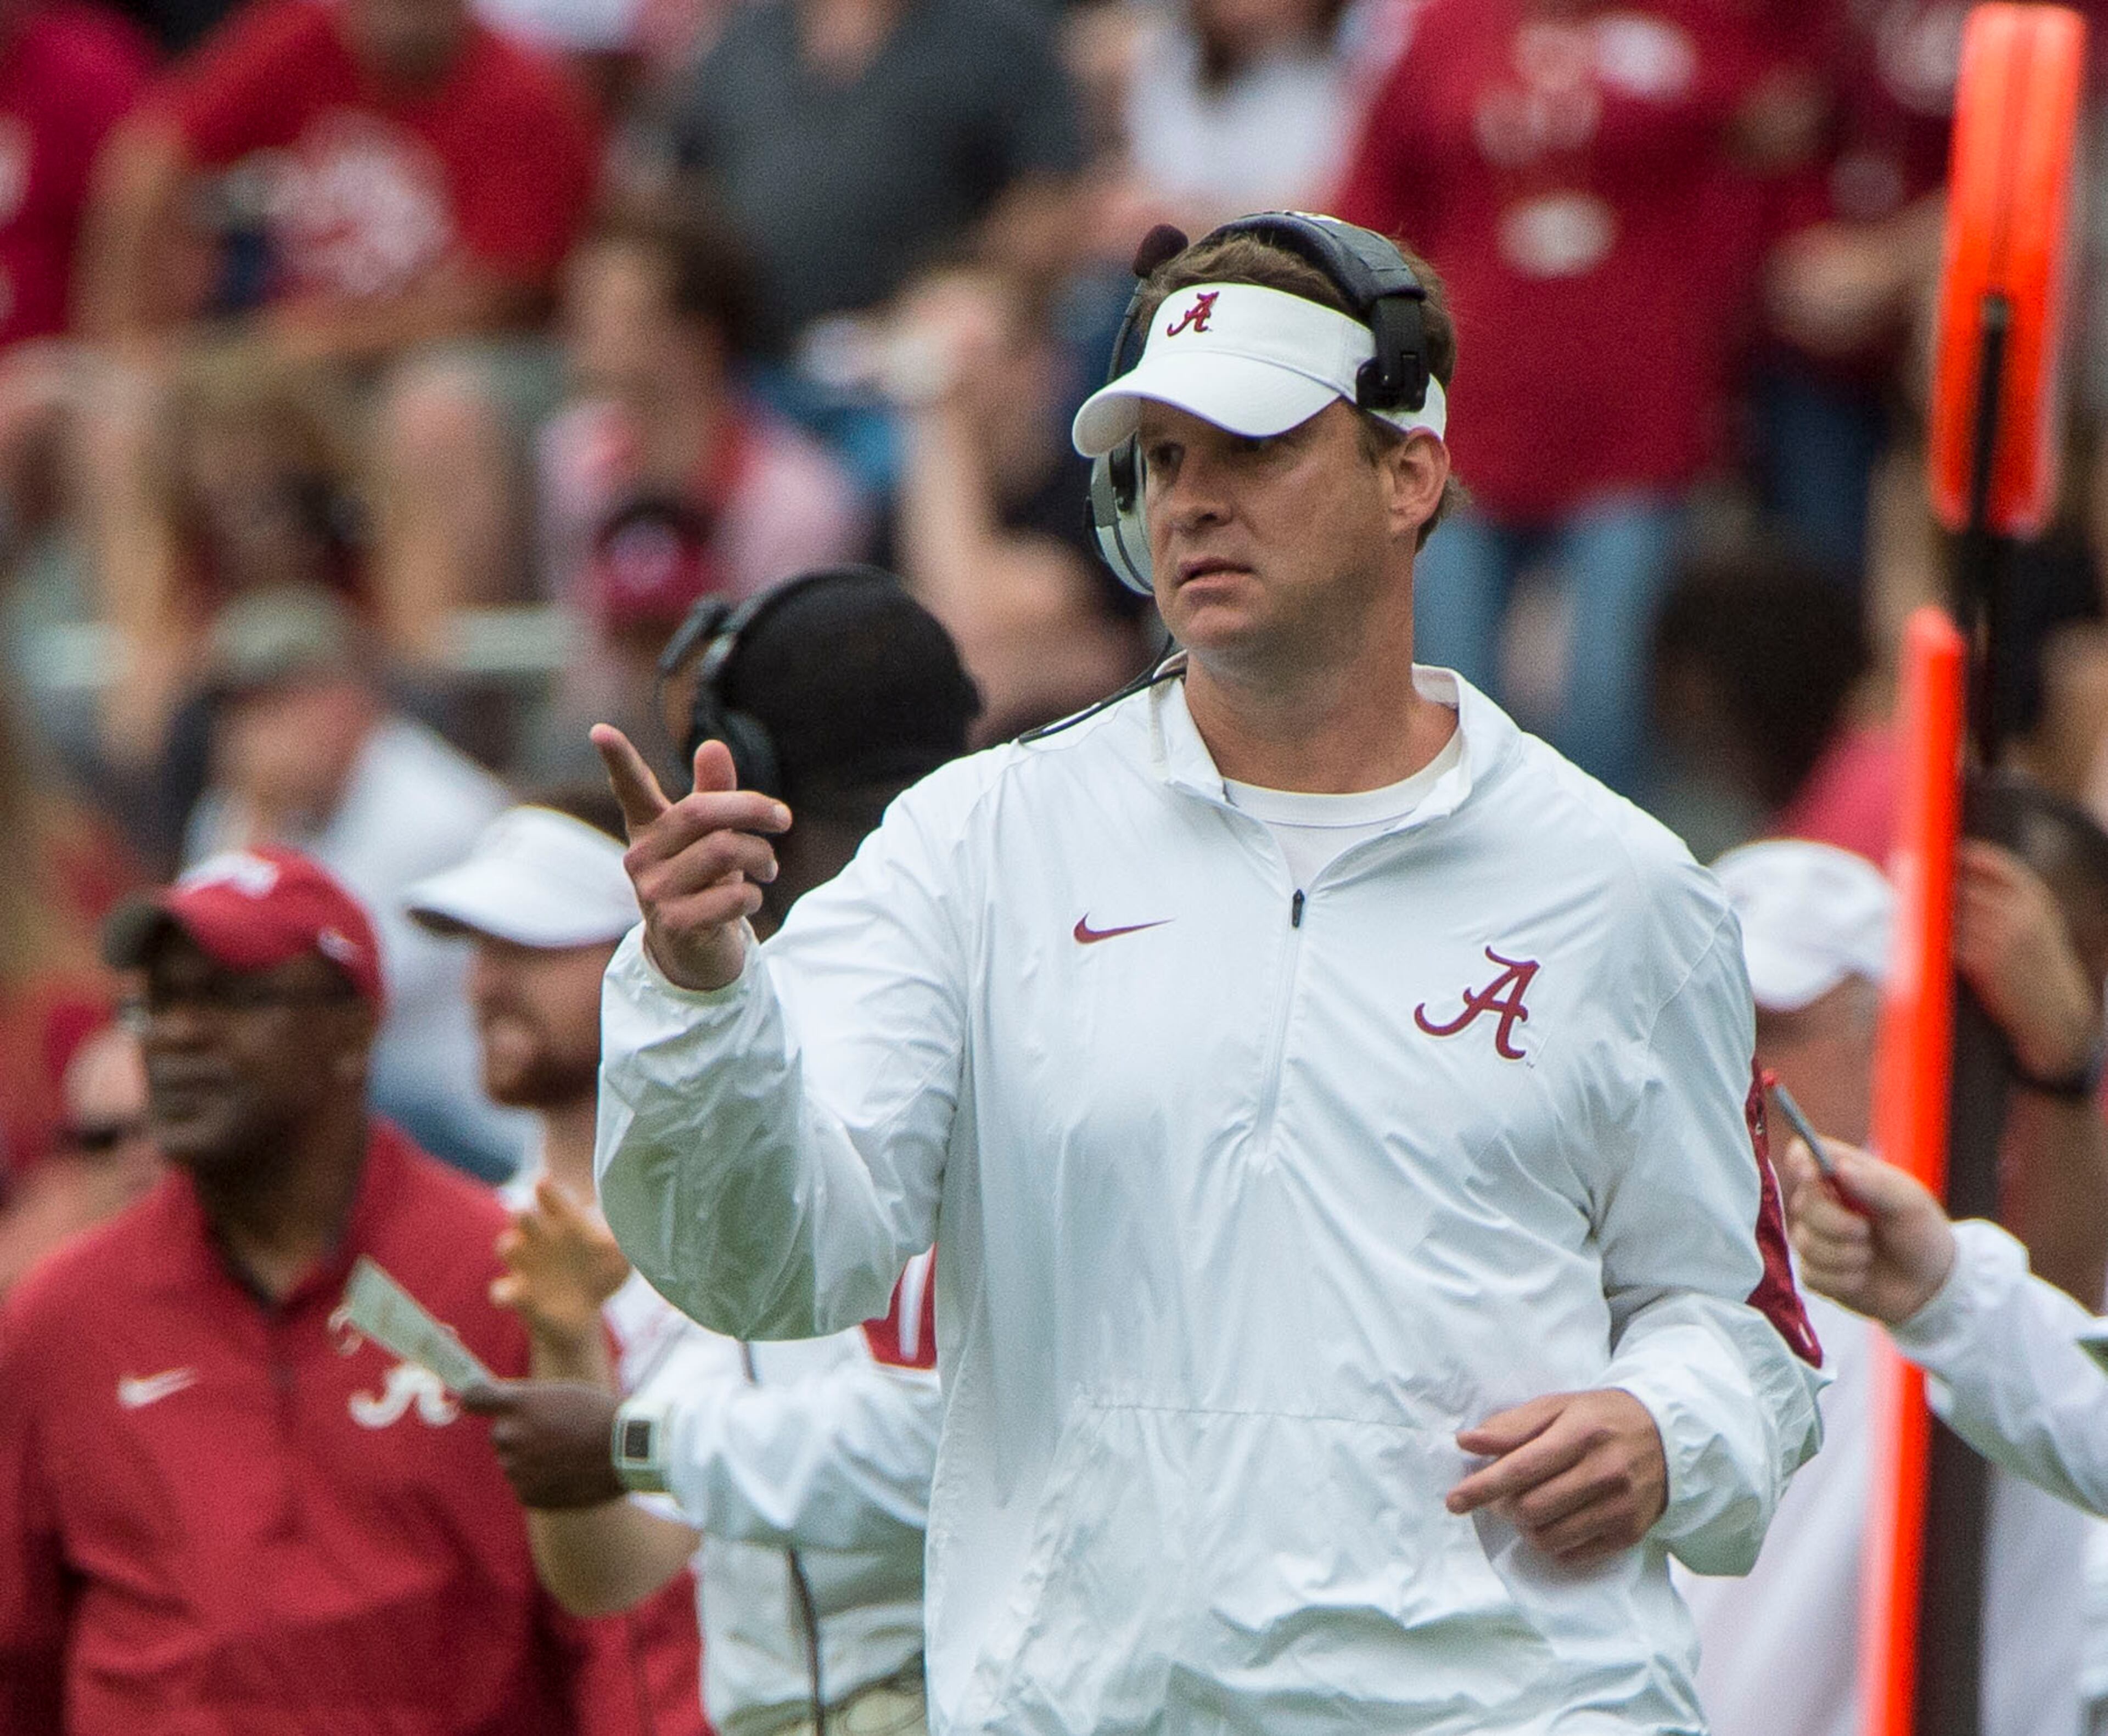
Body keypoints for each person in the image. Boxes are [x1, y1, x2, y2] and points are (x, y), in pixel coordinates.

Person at [589, 213, 1824, 1732]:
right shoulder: (977, 842)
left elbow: (1743, 1327)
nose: (1191, 502)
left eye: (1248, 447)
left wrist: (1668, 1426)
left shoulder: (1626, 888)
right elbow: (774, 1265)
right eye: (1160, 462)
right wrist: (700, 1001)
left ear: (1408, 472)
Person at [440, 571, 977, 1735]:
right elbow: (614, 1564)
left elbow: (955, 1441)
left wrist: (633, 1439)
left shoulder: (991, 1016)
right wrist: (574, 1351)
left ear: (749, 764)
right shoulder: (736, 1056)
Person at [0, 847, 671, 1733]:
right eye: (159, 1001)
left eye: (233, 996)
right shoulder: (65, 1315)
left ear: (354, 1028)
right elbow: (20, 1657)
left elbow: (616, 1637)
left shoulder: (506, 1277)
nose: (178, 1032)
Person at [1676, 838, 2093, 1736]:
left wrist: (2063, 1057)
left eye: (1774, 1023)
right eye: (1711, 1015)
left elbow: (2053, 1302)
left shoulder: (1915, 1249)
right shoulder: (1646, 1240)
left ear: (1892, 1039)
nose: (1736, 1056)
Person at [403, 790, 711, 1736]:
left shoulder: (765, 1219)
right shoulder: (454, 1246)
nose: (483, 985)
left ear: (654, 949)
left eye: (530, 946)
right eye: (477, 950)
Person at [181, 582, 524, 1179]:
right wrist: (257, 823)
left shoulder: (435, 808)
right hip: (373, 1111)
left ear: (349, 697)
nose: (255, 733)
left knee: (293, 1080)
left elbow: (319, 1000)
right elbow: (189, 974)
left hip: (473, 1131)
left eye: (278, 701)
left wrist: (260, 836)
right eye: (240, 709)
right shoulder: (235, 810)